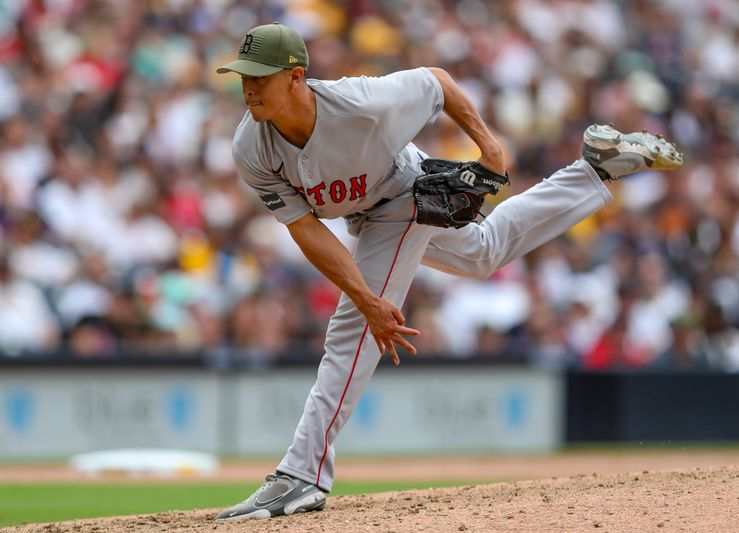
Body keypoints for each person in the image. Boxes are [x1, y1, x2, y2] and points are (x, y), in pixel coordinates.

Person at [214, 23, 682, 521]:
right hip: (363, 214)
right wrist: (367, 296)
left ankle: (301, 475)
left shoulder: (361, 103)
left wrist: (489, 144)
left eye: (259, 77)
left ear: (294, 77)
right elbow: (306, 229)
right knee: (483, 252)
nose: (247, 87)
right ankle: (595, 169)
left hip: (404, 194)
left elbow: (437, 81)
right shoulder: (252, 147)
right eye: (243, 75)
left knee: (352, 332)